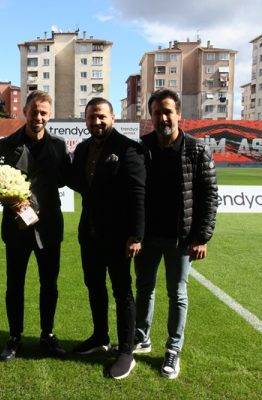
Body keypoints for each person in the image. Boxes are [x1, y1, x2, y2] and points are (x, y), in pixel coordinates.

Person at [134, 88, 218, 379]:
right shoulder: (141, 148)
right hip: (146, 237)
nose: (163, 117)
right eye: (157, 112)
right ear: (151, 117)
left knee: (177, 293)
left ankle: (173, 348)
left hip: (181, 239)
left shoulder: (197, 150)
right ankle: (141, 336)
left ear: (179, 114)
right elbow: (134, 194)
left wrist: (201, 237)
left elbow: (209, 196)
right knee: (144, 288)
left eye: (168, 111)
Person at [70, 97, 146, 379]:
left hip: (118, 237)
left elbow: (139, 195)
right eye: (91, 117)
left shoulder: (129, 149)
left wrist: (136, 235)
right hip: (89, 234)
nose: (96, 122)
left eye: (101, 116)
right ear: (86, 120)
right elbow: (76, 181)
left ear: (113, 118)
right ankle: (100, 336)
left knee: (122, 291)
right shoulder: (82, 148)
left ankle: (126, 350)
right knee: (94, 286)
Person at [0, 90, 71, 361]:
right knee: (14, 285)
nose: (38, 117)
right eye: (34, 111)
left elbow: (66, 179)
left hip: (49, 229)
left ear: (49, 115)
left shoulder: (59, 146)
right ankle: (14, 337)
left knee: (49, 285)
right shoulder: (6, 144)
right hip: (17, 228)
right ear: (24, 112)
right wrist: (12, 203)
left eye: (43, 113)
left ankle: (47, 336)